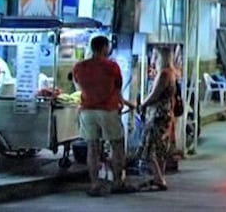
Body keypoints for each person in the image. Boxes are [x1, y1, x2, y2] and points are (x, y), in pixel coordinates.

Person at [72, 36, 136, 196]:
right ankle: (117, 182)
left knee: (92, 148)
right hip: (108, 110)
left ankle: (95, 185)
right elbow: (117, 91)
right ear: (104, 48)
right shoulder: (112, 66)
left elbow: (78, 87)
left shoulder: (79, 67)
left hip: (87, 111)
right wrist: (128, 104)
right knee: (117, 145)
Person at [138, 47, 177, 192]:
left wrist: (143, 104)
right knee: (160, 148)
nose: (153, 59)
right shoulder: (171, 73)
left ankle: (159, 179)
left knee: (149, 147)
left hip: (157, 114)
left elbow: (155, 94)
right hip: (165, 113)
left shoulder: (164, 74)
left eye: (155, 56)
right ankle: (159, 177)